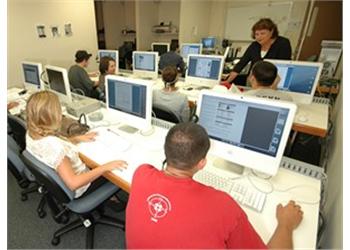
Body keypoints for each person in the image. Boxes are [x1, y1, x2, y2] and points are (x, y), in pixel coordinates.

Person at [126, 122, 303, 249]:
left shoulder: (141, 173)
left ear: (165, 151)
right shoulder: (224, 206)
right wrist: (285, 224)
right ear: (202, 163)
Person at [25, 91, 127, 198]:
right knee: (116, 173)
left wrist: (77, 139)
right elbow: (73, 183)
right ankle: (113, 200)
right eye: (58, 110)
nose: (61, 114)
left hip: (63, 178)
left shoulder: (32, 132)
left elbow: (51, 147)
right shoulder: (55, 147)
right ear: (50, 116)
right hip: (82, 186)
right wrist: (104, 167)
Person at [227, 18, 292, 85]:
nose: (259, 37)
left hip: (272, 84)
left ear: (271, 31)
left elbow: (284, 67)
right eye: (256, 34)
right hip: (253, 82)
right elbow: (241, 64)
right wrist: (227, 82)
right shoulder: (254, 46)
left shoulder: (282, 43)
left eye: (262, 33)